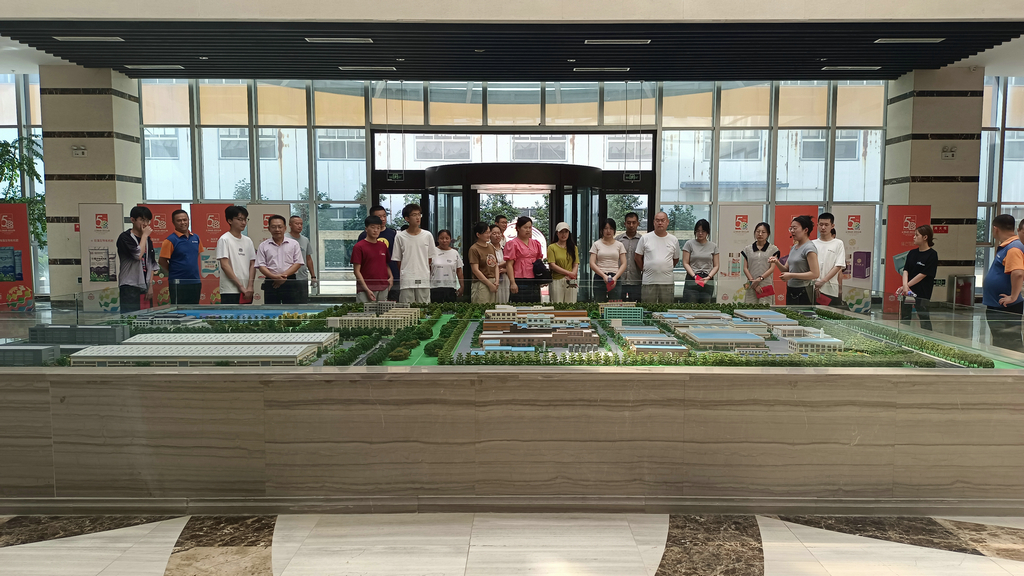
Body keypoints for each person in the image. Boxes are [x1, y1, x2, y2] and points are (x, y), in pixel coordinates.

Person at [983, 214, 1024, 352]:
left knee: (1009, 342)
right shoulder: (1007, 247)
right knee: (1001, 341)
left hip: (1006, 306)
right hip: (998, 304)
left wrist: (1013, 296)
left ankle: (1013, 365)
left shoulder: (1013, 248)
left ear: (995, 229)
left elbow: (1018, 273)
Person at [769, 215, 820, 305]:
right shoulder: (794, 247)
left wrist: (791, 275)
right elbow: (786, 270)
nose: (792, 231)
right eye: (791, 228)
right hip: (791, 289)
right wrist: (776, 262)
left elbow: (815, 274)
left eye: (795, 228)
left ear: (805, 230)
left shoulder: (809, 248)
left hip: (804, 290)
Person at [895, 225, 938, 331]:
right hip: (908, 291)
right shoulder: (912, 253)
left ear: (925, 237)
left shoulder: (932, 255)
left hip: (922, 292)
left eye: (917, 235)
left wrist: (906, 286)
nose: (914, 237)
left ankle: (927, 337)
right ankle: (904, 335)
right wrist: (905, 287)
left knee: (923, 316)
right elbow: (905, 270)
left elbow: (923, 274)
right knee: (905, 315)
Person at [116, 205, 157, 313]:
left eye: (148, 220)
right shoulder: (125, 237)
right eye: (142, 220)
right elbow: (138, 255)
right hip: (129, 285)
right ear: (133, 220)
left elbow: (152, 264)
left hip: (145, 285)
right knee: (130, 316)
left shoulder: (148, 240)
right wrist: (144, 236)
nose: (146, 224)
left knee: (146, 316)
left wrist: (150, 285)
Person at [159, 209, 204, 305]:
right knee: (179, 310)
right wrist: (174, 271)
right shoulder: (170, 240)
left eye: (185, 220)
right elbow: (162, 261)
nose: (183, 223)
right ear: (173, 222)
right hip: (177, 283)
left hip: (195, 281)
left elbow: (196, 255)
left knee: (194, 309)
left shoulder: (196, 238)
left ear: (188, 220)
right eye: (179, 220)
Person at [635, 211, 681, 304]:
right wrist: (646, 268)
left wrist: (665, 267)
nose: (660, 223)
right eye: (657, 220)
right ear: (654, 222)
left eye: (662, 220)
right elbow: (637, 257)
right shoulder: (645, 238)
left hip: (667, 281)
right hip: (649, 281)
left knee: (667, 308)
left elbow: (675, 259)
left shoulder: (673, 240)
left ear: (667, 222)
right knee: (648, 308)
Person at [255, 215, 303, 304]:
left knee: (291, 309)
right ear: (269, 228)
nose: (277, 229)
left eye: (280, 227)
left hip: (290, 280)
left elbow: (298, 263)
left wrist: (283, 277)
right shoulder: (263, 245)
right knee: (271, 309)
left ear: (285, 228)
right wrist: (274, 277)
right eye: (274, 227)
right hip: (271, 281)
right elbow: (261, 265)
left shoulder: (294, 244)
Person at [392, 203, 433, 303]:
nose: (418, 217)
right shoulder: (400, 236)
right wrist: (405, 272)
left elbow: (430, 258)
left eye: (419, 214)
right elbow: (398, 260)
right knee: (406, 307)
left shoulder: (427, 235)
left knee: (424, 307)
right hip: (407, 279)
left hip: (423, 278)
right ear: (407, 218)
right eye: (414, 215)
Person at [357, 205, 399, 301]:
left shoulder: (393, 234)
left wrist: (392, 276)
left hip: (391, 276)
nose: (383, 219)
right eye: (379, 217)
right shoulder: (363, 236)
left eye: (384, 216)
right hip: (370, 279)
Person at [215, 205, 255, 305]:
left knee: (247, 314)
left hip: (247, 290)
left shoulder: (248, 240)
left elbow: (252, 264)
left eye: (245, 219)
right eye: (240, 219)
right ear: (230, 221)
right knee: (231, 315)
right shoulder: (224, 239)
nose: (243, 223)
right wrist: (240, 286)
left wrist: (250, 286)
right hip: (230, 290)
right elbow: (225, 265)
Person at [351, 214, 393, 303]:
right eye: (373, 227)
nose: (376, 230)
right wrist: (366, 289)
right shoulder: (359, 247)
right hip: (365, 289)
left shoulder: (383, 245)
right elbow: (356, 271)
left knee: (383, 311)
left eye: (378, 228)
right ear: (366, 229)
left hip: (383, 288)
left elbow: (385, 264)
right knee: (365, 311)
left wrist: (391, 277)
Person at [505, 216, 545, 303]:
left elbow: (539, 261)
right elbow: (509, 265)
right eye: (525, 227)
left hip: (534, 279)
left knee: (535, 305)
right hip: (519, 279)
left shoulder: (535, 243)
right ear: (518, 228)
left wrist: (542, 277)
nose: (528, 230)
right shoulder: (512, 244)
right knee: (519, 305)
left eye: (530, 227)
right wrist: (512, 282)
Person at [741, 222, 780, 305]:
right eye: (758, 231)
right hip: (751, 284)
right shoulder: (748, 249)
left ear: (768, 234)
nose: (760, 234)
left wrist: (760, 279)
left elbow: (772, 268)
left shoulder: (773, 249)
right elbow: (745, 268)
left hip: (766, 284)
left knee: (765, 308)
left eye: (763, 232)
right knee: (750, 307)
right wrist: (754, 283)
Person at [812, 212, 846, 308]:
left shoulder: (838, 243)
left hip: (830, 289)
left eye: (826, 225)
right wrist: (815, 283)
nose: (823, 227)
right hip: (813, 287)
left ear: (832, 226)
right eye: (821, 224)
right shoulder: (812, 243)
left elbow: (838, 265)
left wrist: (822, 281)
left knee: (829, 314)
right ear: (817, 225)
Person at [681, 219, 719, 303]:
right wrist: (695, 276)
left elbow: (716, 266)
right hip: (692, 278)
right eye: (698, 231)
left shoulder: (713, 246)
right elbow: (685, 263)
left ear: (707, 232)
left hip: (707, 279)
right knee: (690, 305)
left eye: (703, 231)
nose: (700, 233)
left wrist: (708, 277)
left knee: (705, 306)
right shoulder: (689, 244)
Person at [590, 218, 627, 302]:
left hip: (615, 277)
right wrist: (604, 276)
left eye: (611, 228)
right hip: (600, 277)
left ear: (614, 230)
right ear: (602, 230)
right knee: (599, 303)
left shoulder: (619, 245)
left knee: (615, 304)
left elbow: (624, 263)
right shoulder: (596, 244)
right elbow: (592, 263)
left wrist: (615, 277)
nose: (608, 231)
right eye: (606, 228)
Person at [287, 215, 317, 304]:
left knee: (303, 302)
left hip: (302, 277)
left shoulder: (305, 240)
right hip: (289, 277)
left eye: (301, 224)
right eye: (297, 224)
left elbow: (308, 259)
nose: (299, 226)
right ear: (290, 225)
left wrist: (313, 276)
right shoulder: (284, 238)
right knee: (290, 303)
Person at [548, 222, 579, 303]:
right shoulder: (552, 247)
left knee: (571, 305)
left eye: (566, 232)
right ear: (557, 233)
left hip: (571, 280)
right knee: (557, 304)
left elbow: (575, 264)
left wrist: (573, 274)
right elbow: (552, 265)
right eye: (561, 232)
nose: (564, 234)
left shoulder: (573, 248)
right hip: (557, 280)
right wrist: (569, 273)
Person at [430, 229, 465, 303]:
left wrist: (462, 286)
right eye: (441, 238)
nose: (444, 240)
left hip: (450, 287)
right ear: (438, 239)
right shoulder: (432, 251)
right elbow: (428, 269)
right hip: (435, 287)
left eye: (447, 238)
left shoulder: (454, 253)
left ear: (450, 239)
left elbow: (459, 271)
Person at [469, 222, 499, 304]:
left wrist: (496, 281)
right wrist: (489, 284)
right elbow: (475, 270)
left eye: (489, 232)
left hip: (493, 281)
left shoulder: (491, 246)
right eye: (486, 233)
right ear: (478, 235)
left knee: (492, 307)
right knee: (481, 306)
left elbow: (495, 265)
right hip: (481, 282)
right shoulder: (474, 249)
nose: (488, 235)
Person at [616, 212, 643, 302]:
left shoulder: (642, 240)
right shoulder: (618, 240)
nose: (631, 225)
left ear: (638, 223)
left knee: (635, 306)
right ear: (625, 224)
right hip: (620, 280)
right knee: (618, 306)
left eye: (634, 222)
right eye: (628, 223)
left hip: (636, 280)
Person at [491, 224, 510, 303]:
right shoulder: (488, 249)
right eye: (494, 233)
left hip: (505, 279)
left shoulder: (505, 249)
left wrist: (506, 270)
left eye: (499, 233)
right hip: (493, 279)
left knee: (504, 300)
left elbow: (511, 264)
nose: (497, 235)